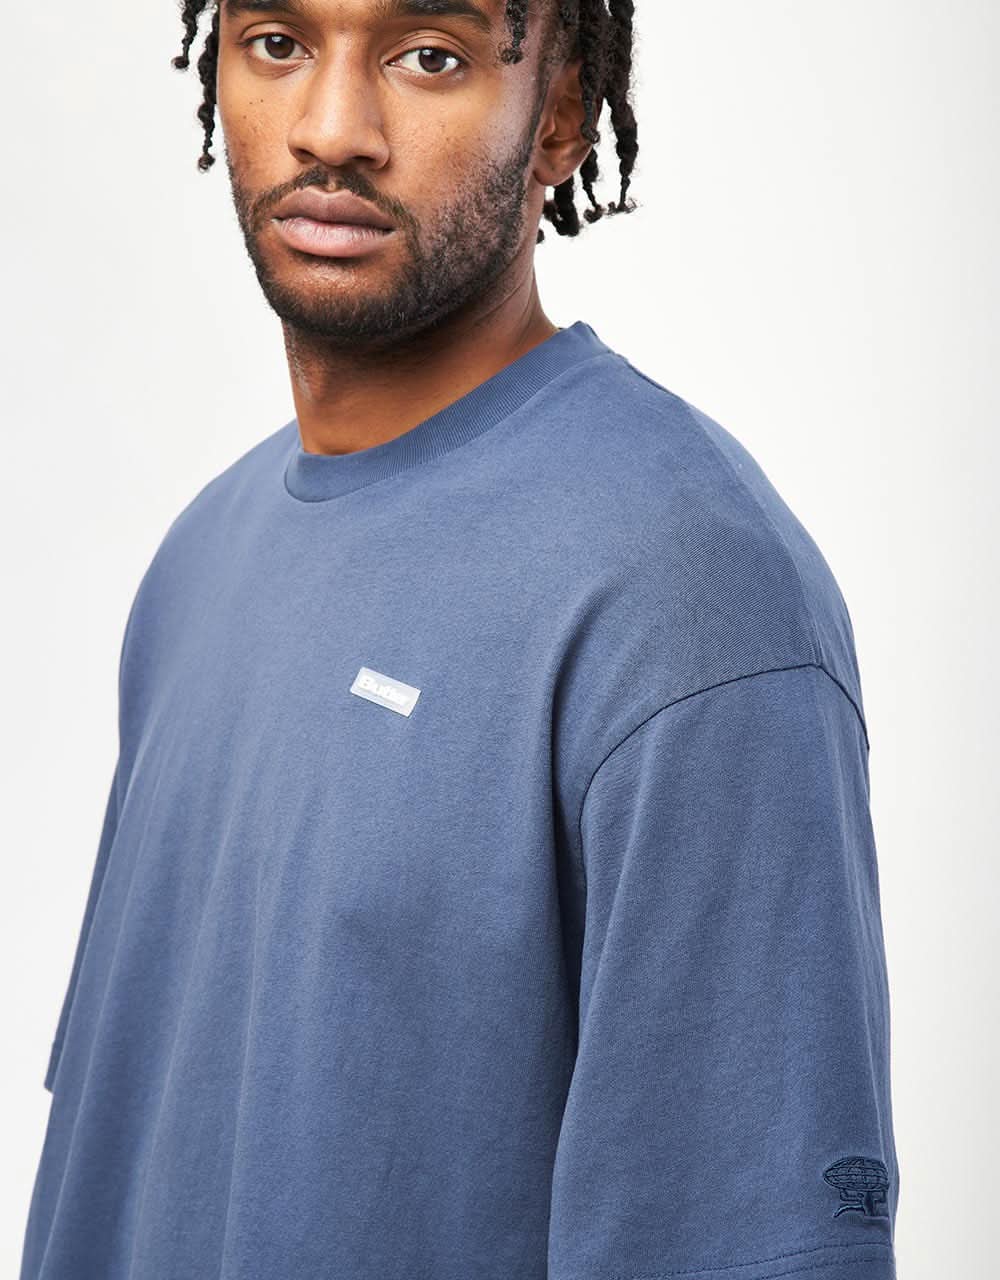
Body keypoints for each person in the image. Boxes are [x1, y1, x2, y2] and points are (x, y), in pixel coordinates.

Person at [19, 2, 900, 1278]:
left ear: (559, 117)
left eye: (428, 56)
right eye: (277, 43)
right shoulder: (198, 561)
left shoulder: (687, 594)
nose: (331, 129)